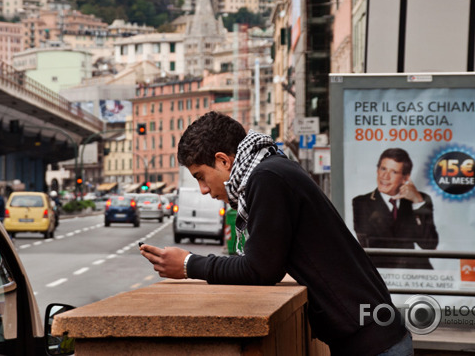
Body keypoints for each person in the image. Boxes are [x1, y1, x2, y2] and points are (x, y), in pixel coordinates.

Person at [140, 112, 411, 356]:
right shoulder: (274, 167)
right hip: (371, 334)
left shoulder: (266, 178)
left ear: (223, 161)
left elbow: (259, 270)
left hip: (373, 343)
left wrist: (188, 264)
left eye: (200, 176)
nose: (203, 189)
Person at [352, 148, 439, 269]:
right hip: (381, 272)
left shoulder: (420, 200)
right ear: (377, 170)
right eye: (383, 169)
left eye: (394, 172)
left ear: (405, 178)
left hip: (417, 275)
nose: (385, 176)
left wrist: (418, 203)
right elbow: (371, 242)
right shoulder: (361, 203)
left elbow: (429, 245)